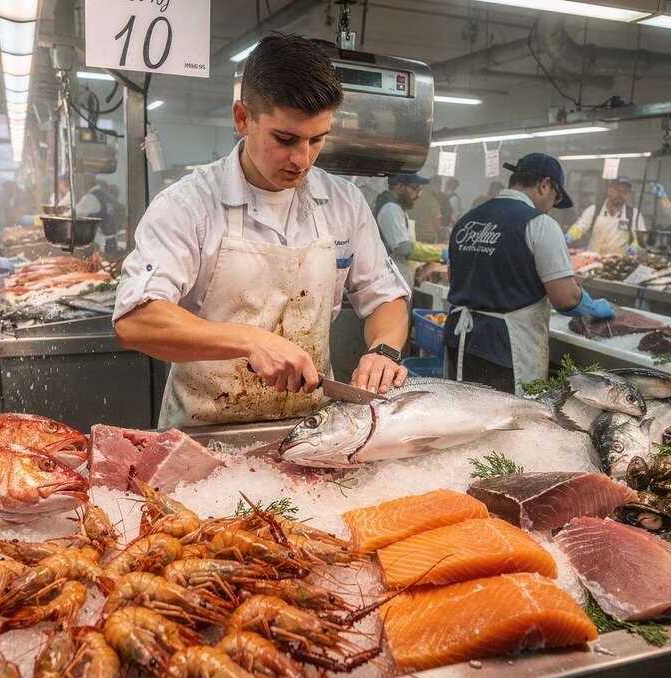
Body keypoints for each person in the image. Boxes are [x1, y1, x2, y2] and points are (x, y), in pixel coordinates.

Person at [113, 33, 410, 428]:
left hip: (309, 430)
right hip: (204, 432)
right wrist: (249, 340)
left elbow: (386, 297)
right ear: (242, 118)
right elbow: (136, 320)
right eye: (285, 139)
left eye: (316, 140)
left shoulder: (343, 202)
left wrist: (384, 351)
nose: (302, 159)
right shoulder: (188, 204)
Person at [444, 153, 616, 393]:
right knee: (509, 424)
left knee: (463, 415)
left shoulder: (467, 220)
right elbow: (565, 298)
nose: (551, 208)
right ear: (544, 185)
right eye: (555, 199)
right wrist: (590, 306)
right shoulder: (539, 224)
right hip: (506, 348)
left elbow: (454, 279)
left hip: (459, 339)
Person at [566, 176, 647, 256]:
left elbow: (640, 238)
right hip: (592, 259)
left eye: (624, 192)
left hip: (618, 261)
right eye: (617, 190)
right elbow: (580, 227)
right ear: (609, 190)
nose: (620, 194)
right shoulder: (593, 210)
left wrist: (635, 246)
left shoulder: (634, 214)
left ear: (629, 194)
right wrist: (570, 235)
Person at [374, 173, 429, 285]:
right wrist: (438, 253)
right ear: (400, 187)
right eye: (415, 188)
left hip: (397, 278)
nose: (418, 195)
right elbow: (402, 248)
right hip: (390, 281)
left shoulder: (397, 208)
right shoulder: (390, 209)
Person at [75, 178, 120, 253]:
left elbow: (74, 214)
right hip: (112, 241)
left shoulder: (91, 197)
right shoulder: (104, 195)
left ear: (85, 183)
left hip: (103, 245)